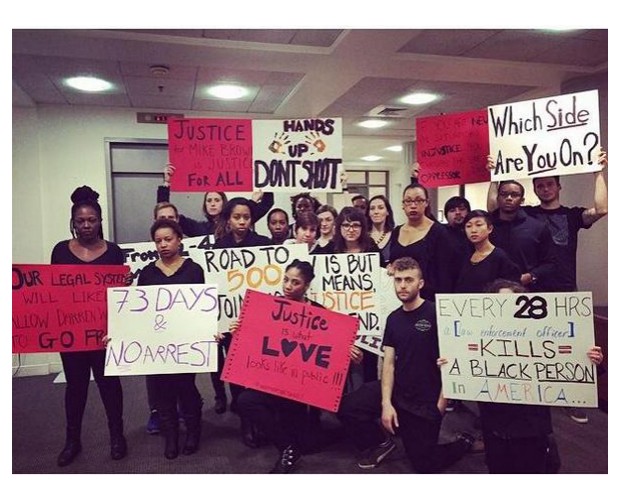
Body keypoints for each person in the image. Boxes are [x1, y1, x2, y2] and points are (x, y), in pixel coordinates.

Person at [487, 151, 608, 424]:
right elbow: (495, 210)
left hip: (563, 288)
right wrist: (494, 177)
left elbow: (601, 209)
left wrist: (597, 171)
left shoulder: (572, 216)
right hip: (529, 289)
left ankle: (570, 399)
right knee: (531, 347)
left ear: (558, 186)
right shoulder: (525, 213)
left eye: (549, 184)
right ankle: (532, 395)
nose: (545, 189)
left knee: (568, 346)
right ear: (534, 189)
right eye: (539, 185)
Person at [438, 278, 604, 474]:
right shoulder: (478, 340)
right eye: (500, 305)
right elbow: (467, 374)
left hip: (531, 430)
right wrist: (451, 367)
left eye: (511, 304)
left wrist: (590, 360)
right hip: (495, 429)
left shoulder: (542, 336)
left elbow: (570, 369)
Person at [338, 257, 474, 472]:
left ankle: (463, 443)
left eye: (409, 280)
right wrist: (386, 403)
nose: (402, 285)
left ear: (420, 284)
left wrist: (442, 403)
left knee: (424, 465)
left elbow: (452, 360)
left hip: (426, 400)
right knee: (347, 406)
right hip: (398, 390)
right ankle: (381, 443)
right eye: (398, 280)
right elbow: (389, 364)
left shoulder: (436, 314)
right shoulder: (393, 319)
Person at [235, 259, 364, 473]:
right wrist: (238, 329)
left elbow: (332, 347)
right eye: (285, 280)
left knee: (309, 444)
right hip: (273, 382)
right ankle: (287, 449)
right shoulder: (269, 307)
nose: (287, 286)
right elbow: (253, 340)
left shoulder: (319, 313)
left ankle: (322, 435)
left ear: (306, 286)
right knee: (246, 400)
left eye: (295, 282)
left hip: (302, 391)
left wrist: (349, 353)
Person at [51, 186, 127, 467]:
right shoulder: (60, 251)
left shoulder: (114, 252)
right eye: (80, 221)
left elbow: (120, 296)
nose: (86, 225)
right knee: (76, 387)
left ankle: (117, 435)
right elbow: (52, 293)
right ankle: (73, 440)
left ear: (100, 221)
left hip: (105, 335)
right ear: (73, 222)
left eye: (91, 220)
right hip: (71, 335)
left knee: (110, 386)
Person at [136, 218, 205, 459]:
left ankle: (193, 432)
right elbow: (138, 311)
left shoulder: (194, 269)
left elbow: (203, 307)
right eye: (158, 241)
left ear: (179, 240)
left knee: (186, 389)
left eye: (168, 239)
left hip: (186, 343)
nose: (163, 245)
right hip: (158, 344)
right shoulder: (147, 273)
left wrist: (208, 332)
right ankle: (171, 436)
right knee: (162, 392)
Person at [212, 198, 273, 443]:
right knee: (235, 371)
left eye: (246, 217)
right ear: (228, 219)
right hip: (230, 321)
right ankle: (245, 421)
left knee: (257, 369)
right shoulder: (218, 248)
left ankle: (261, 417)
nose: (241, 221)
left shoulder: (263, 245)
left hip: (257, 320)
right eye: (237, 217)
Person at [158, 163, 274, 238]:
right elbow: (165, 212)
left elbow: (267, 203)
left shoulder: (237, 221)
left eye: (217, 200)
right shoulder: (198, 228)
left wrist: (266, 177)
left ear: (224, 203)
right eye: (209, 201)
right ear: (205, 205)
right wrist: (167, 183)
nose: (212, 203)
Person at [386, 183, 457, 300]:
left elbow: (445, 275)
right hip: (400, 298)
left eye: (418, 200)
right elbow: (394, 262)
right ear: (403, 205)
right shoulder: (397, 231)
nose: (413, 205)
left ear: (426, 203)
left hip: (429, 299)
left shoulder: (438, 232)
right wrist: (390, 268)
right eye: (408, 201)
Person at [487, 179, 556, 292]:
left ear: (522, 200)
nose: (509, 198)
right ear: (498, 198)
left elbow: (550, 263)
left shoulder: (538, 227)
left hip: (527, 292)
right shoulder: (486, 226)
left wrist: (530, 276)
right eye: (504, 194)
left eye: (514, 195)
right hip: (490, 292)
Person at [366, 194, 395, 264]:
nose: (376, 212)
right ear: (368, 213)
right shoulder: (362, 236)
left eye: (380, 208)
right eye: (372, 208)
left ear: (387, 212)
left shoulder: (396, 235)